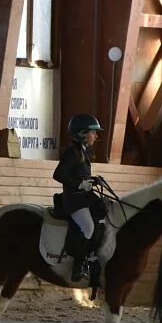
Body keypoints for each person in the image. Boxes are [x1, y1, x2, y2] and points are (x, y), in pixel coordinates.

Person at [53, 113, 105, 283]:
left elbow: (81, 174)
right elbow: (59, 174)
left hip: (85, 197)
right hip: (74, 200)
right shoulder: (72, 152)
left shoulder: (84, 151)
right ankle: (78, 265)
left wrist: (92, 180)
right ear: (83, 133)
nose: (96, 136)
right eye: (93, 132)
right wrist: (79, 184)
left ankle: (94, 257)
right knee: (88, 227)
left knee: (104, 213)